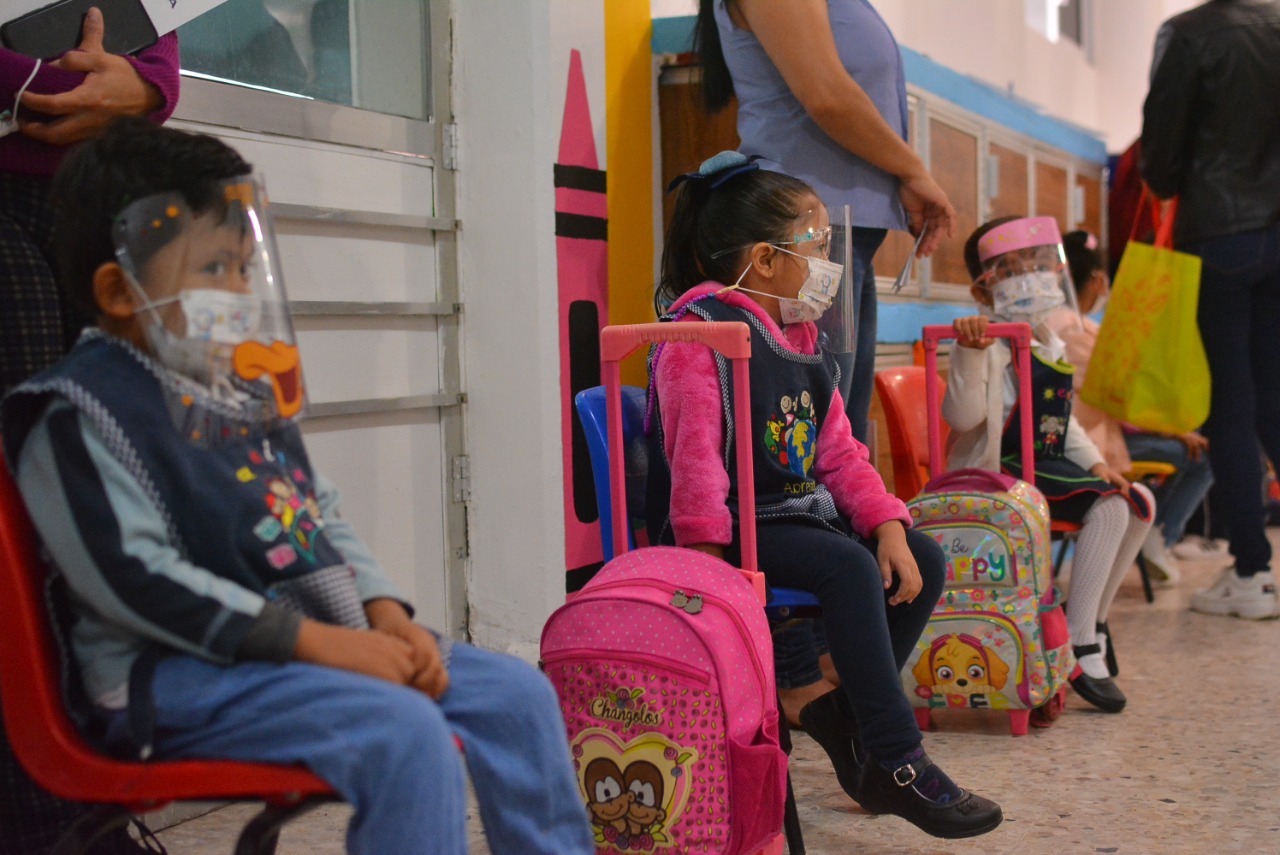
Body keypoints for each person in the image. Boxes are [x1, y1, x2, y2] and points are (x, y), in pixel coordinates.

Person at [0, 119, 593, 855]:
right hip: (170, 678)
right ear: (120, 290)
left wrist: (384, 613)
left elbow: (315, 514)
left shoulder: (236, 390)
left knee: (517, 695)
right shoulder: (76, 414)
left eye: (244, 268)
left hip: (298, 650)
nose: (240, 292)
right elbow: (136, 577)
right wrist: (316, 644)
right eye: (214, 269)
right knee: (399, 730)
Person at [648, 151, 1002, 840]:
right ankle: (896, 758)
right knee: (848, 567)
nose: (828, 262)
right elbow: (695, 465)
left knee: (923, 558)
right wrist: (708, 566)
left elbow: (839, 453)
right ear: (765, 259)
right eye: (817, 245)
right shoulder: (699, 335)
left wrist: (889, 525)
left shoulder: (800, 337)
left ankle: (842, 714)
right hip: (732, 529)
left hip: (792, 518)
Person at [694, 0, 960, 725]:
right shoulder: (767, 279)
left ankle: (831, 670)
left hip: (841, 231)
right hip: (809, 232)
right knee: (796, 444)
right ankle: (796, 672)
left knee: (833, 434)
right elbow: (827, 94)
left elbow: (839, 449)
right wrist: (916, 171)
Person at [2, 11, 180, 852]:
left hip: (89, 193)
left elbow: (162, 43)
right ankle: (41, 812)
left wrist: (143, 87)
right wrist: (55, 86)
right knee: (23, 514)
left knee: (102, 505)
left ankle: (86, 792)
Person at [942, 216, 1155, 714]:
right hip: (999, 470)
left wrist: (1097, 464)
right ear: (984, 287)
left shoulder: (1044, 338)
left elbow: (1061, 419)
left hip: (1042, 461)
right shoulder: (982, 337)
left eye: (1038, 265)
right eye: (1013, 269)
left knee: (1138, 500)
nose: (1032, 277)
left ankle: (1094, 621)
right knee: (1109, 507)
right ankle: (1078, 642)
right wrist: (971, 353)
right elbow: (964, 418)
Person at [1140, 0, 1280, 620]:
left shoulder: (1189, 33)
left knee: (1231, 407)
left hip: (1222, 237)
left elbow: (1161, 161)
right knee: (1275, 400)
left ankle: (1251, 572)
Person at [1059, 229, 1215, 587]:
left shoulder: (1069, 328)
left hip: (1093, 437)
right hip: (1094, 445)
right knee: (1204, 457)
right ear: (1098, 280)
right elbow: (1122, 403)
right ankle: (1158, 533)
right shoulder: (1080, 333)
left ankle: (1154, 533)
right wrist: (1177, 431)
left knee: (1192, 451)